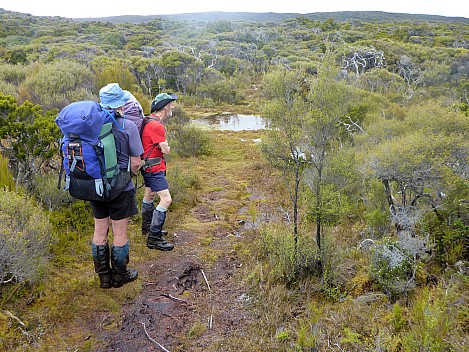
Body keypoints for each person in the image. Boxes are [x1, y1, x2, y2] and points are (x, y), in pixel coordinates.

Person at [91, 83, 144, 289]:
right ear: (121, 104)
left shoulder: (91, 126)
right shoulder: (127, 125)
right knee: (119, 233)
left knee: (99, 231)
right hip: (121, 187)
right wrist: (130, 174)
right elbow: (136, 162)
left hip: (96, 187)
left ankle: (104, 278)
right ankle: (120, 275)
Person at [140, 93, 178, 251]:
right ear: (164, 108)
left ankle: (147, 228)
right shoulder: (156, 125)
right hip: (154, 169)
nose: (173, 108)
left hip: (148, 167)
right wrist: (166, 146)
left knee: (149, 195)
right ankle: (154, 238)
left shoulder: (148, 120)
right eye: (171, 105)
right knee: (166, 199)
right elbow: (166, 150)